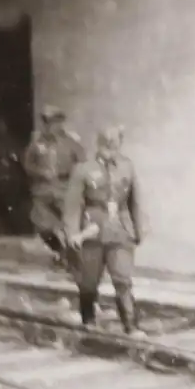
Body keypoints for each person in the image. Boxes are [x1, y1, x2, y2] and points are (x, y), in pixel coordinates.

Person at [63, 126, 146, 337]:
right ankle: (88, 320)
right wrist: (72, 232)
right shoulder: (83, 169)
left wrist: (139, 228)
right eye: (107, 145)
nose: (111, 149)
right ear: (99, 145)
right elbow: (73, 204)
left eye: (115, 145)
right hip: (92, 231)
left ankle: (131, 326)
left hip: (119, 229)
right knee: (89, 281)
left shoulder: (127, 167)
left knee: (123, 279)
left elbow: (135, 200)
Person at [24, 105, 85, 267]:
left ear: (60, 123)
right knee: (42, 226)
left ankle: (74, 260)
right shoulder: (37, 142)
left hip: (65, 189)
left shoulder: (71, 142)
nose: (48, 126)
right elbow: (27, 165)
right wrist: (40, 172)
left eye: (52, 122)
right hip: (43, 191)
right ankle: (60, 251)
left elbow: (83, 164)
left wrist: (74, 179)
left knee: (70, 226)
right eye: (46, 122)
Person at [0, 118, 26, 235]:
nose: (0, 129)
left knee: (10, 205)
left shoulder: (10, 142)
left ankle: (11, 228)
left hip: (9, 179)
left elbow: (17, 157)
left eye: (2, 126)